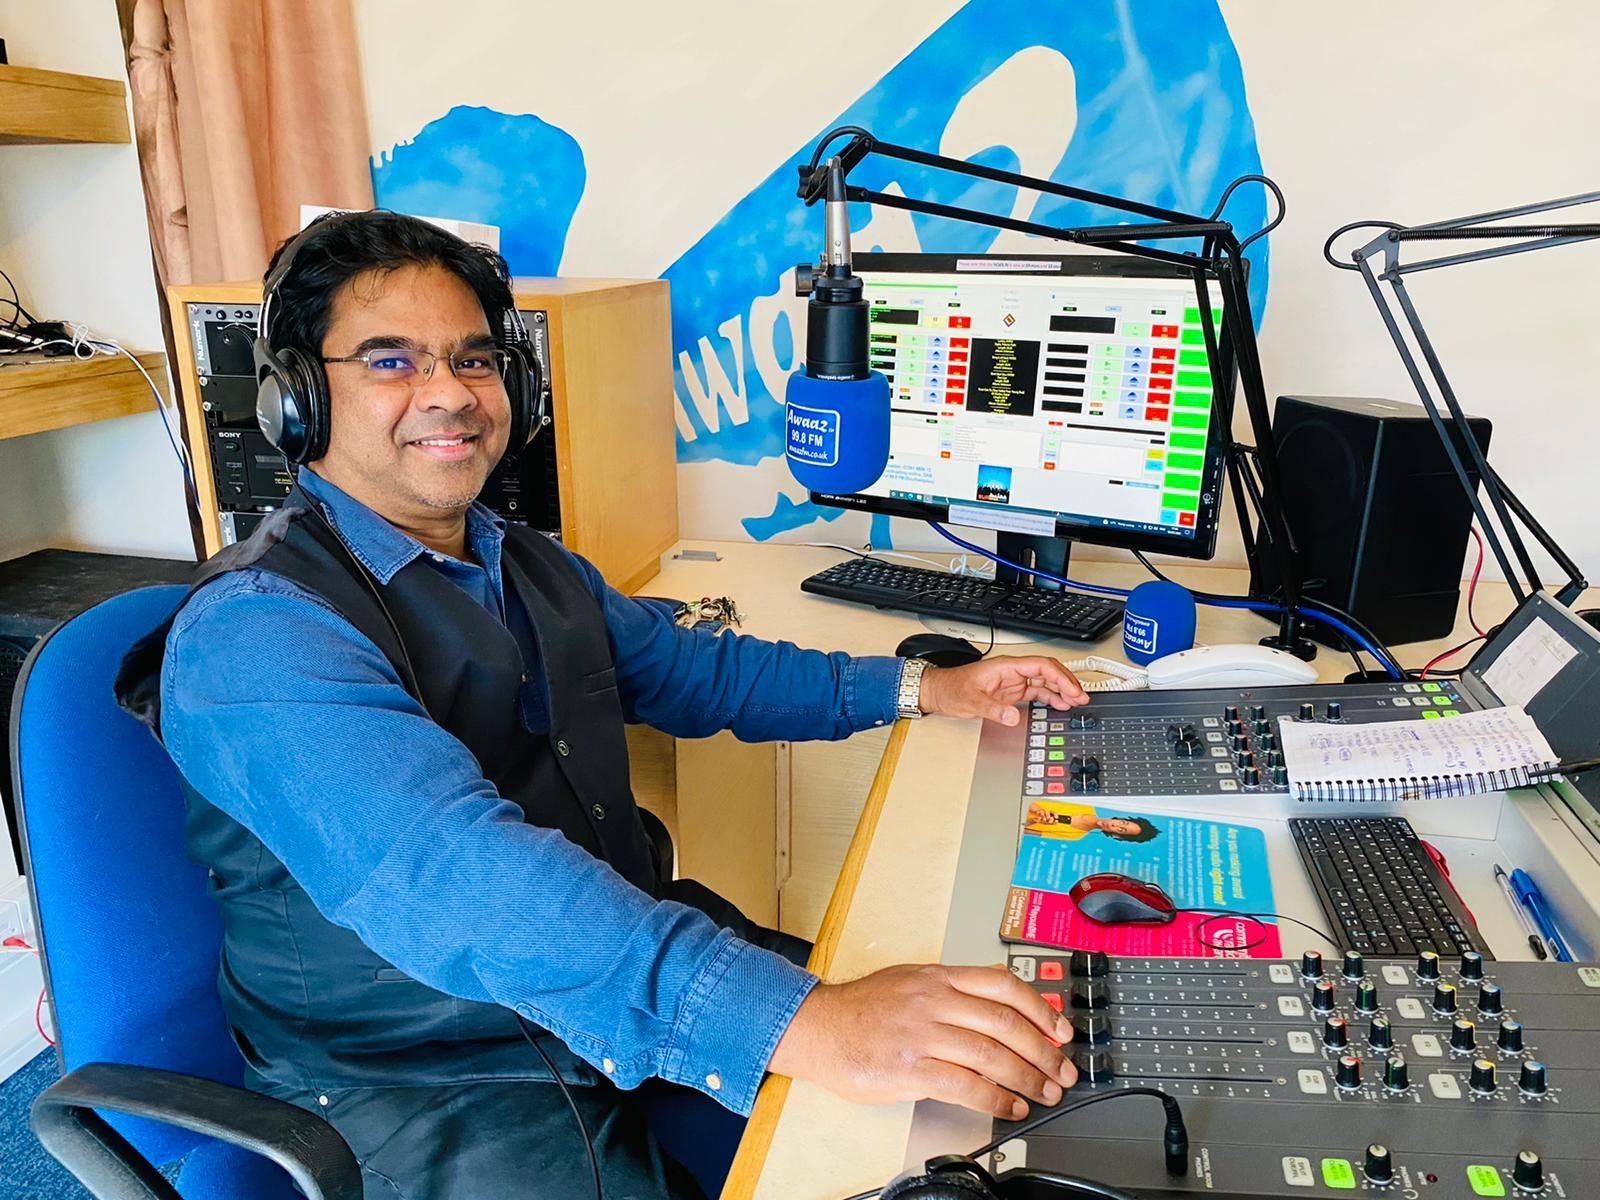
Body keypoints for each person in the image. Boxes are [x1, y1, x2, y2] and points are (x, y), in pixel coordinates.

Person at [115, 211, 1092, 1199]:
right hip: (434, 1072)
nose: (449, 394)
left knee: (968, 1115)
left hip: (614, 965)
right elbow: (458, 875)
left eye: (474, 360)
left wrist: (919, 686)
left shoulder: (525, 561)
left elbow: (695, 672)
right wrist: (806, 1022)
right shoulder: (258, 634)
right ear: (299, 400)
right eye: (391, 362)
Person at [1024, 802, 1161, 843]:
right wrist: (1039, 811)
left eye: (1121, 830)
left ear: (1117, 835)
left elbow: (1026, 831)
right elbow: (1032, 797)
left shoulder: (1075, 836)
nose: (1115, 825)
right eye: (1123, 823)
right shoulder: (1085, 804)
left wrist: (1032, 820)